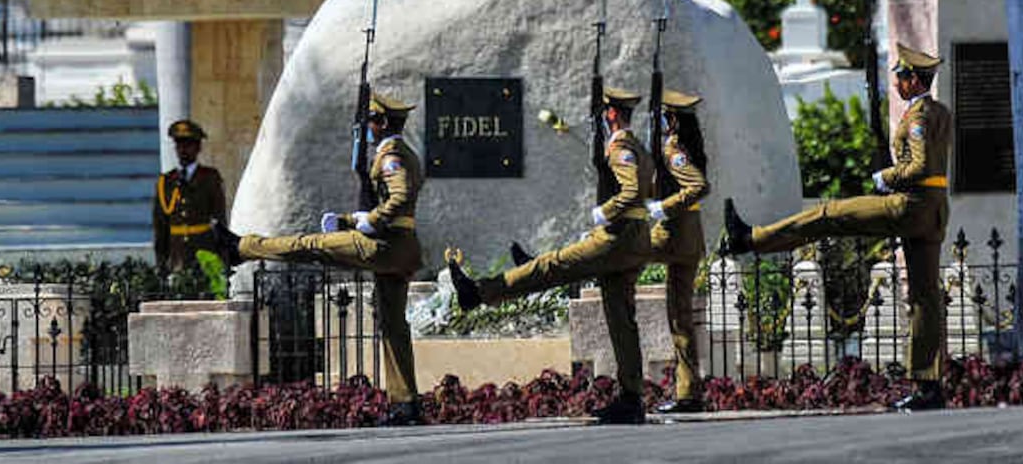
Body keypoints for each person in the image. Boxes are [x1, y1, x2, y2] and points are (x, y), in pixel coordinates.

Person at [723, 43, 953, 412]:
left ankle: (753, 238)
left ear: (912, 80)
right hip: (934, 209)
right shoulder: (939, 111)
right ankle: (929, 385)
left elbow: (920, 166)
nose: (895, 82)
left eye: (899, 76)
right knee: (924, 297)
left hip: (909, 205)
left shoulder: (920, 117)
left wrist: (885, 177)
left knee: (830, 214)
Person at [211, 92, 425, 425]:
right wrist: (348, 219)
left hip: (385, 246)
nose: (367, 128)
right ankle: (406, 403)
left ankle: (242, 247)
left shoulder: (391, 156)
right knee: (393, 327)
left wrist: (372, 220)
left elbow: (398, 197)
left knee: (310, 244)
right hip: (403, 248)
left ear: (381, 123)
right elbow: (396, 203)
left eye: (370, 121)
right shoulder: (405, 153)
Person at [449, 87, 655, 424]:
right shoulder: (641, 148)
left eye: (605, 113)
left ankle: (480, 292)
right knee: (621, 319)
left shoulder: (620, 146)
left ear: (613, 114)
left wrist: (606, 211)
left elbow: (631, 191)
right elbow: (648, 189)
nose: (603, 118)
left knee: (552, 264)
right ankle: (631, 399)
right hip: (635, 241)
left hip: (617, 238)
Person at [647, 89, 710, 414]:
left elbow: (698, 186)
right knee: (680, 318)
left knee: (615, 253)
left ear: (671, 119)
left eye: (663, 116)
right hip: (690, 241)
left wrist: (662, 207)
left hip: (671, 237)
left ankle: (569, 263)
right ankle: (688, 392)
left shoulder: (674, 149)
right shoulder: (690, 147)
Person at [152, 120, 227, 273]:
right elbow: (161, 227)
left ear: (198, 147)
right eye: (179, 145)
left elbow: (219, 220)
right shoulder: (165, 182)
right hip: (176, 256)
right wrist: (161, 262)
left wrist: (222, 257)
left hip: (205, 253)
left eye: (188, 144)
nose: (183, 149)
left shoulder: (210, 178)